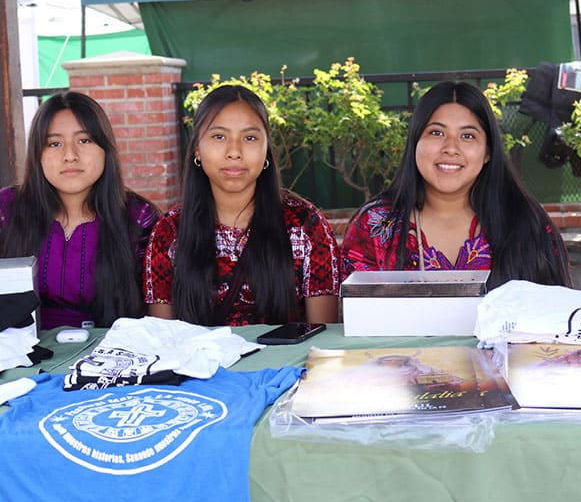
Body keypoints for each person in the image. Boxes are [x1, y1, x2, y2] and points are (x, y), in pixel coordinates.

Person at [341, 80, 571, 290]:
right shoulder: (375, 225)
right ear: (415, 143)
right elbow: (352, 322)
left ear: (488, 151)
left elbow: (555, 318)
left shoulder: (526, 222)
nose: (451, 148)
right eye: (436, 132)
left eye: (468, 136)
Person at [144, 84, 340, 326]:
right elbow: (161, 337)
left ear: (266, 148)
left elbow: (323, 336)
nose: (234, 151)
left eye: (249, 138)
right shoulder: (169, 232)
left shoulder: (306, 226)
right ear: (197, 149)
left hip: (285, 364)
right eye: (219, 136)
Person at [0, 91, 160, 330]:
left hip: (111, 354)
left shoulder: (138, 218)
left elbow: (157, 315)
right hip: (21, 357)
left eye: (84, 140)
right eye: (54, 144)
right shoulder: (7, 209)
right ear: (37, 154)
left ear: (105, 148)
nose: (70, 156)